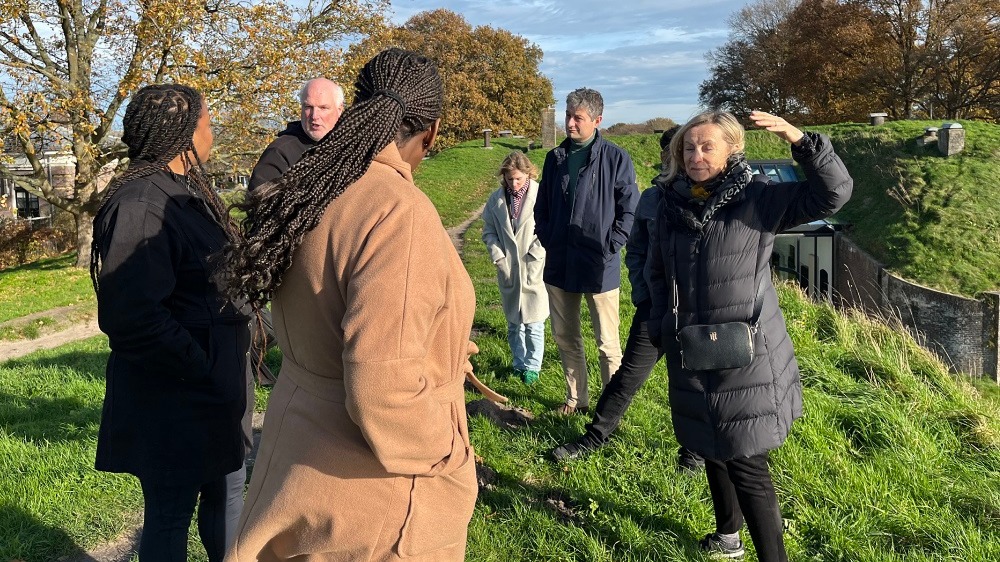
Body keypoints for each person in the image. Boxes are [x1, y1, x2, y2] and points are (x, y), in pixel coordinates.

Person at [221, 48, 478, 561]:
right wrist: (447, 453)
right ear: (431, 131)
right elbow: (381, 387)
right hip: (371, 493)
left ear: (359, 108)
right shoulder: (397, 212)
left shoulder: (314, 187)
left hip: (299, 458)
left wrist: (443, 342)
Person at [647, 110, 853, 561]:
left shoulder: (759, 199)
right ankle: (728, 537)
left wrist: (801, 141)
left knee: (746, 462)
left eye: (706, 146)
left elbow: (833, 193)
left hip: (747, 352)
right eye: (688, 147)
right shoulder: (672, 203)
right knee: (709, 445)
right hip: (692, 346)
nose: (696, 156)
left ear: (732, 149)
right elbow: (658, 270)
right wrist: (661, 326)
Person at [90, 84, 252, 562]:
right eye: (208, 122)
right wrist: (200, 365)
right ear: (184, 133)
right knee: (169, 515)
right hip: (176, 397)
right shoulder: (142, 203)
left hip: (212, 393)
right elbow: (132, 314)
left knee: (226, 496)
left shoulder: (185, 192)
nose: (213, 132)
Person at [550, 126, 703, 472]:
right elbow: (636, 249)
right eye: (673, 152)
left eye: (682, 151)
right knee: (625, 378)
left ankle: (693, 455)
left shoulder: (708, 198)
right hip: (655, 308)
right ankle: (595, 437)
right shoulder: (652, 199)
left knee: (691, 383)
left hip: (695, 312)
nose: (676, 158)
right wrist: (643, 289)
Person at [534, 87, 639, 414]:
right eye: (567, 116)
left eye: (577, 118)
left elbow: (629, 209)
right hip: (560, 264)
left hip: (600, 265)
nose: (569, 123)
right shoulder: (555, 159)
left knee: (608, 344)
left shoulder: (616, 158)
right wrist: (549, 238)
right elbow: (542, 208)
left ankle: (609, 411)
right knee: (566, 338)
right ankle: (576, 400)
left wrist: (611, 246)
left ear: (597, 120)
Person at [481, 151, 548, 385]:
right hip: (509, 267)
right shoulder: (496, 200)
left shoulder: (541, 194)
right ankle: (518, 364)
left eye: (519, 178)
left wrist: (536, 253)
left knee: (534, 322)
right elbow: (488, 231)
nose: (514, 183)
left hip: (533, 267)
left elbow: (549, 228)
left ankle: (533, 366)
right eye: (510, 179)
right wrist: (498, 257)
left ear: (528, 174)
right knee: (513, 323)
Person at [248, 78, 345, 190]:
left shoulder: (354, 146)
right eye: (308, 107)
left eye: (323, 108)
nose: (314, 116)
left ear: (339, 109)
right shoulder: (279, 153)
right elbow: (258, 203)